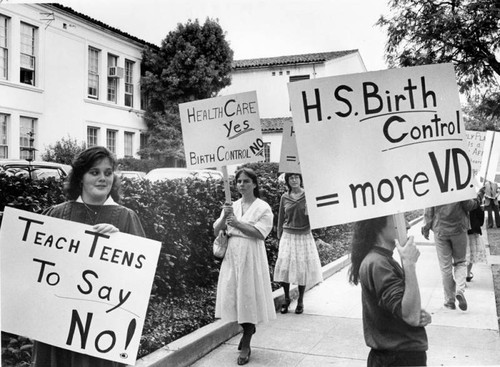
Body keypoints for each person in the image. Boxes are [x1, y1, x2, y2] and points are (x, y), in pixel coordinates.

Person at [31, 146, 146, 367]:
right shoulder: (55, 215)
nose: (103, 178)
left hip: (102, 333)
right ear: (80, 178)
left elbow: (140, 280)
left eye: (108, 172)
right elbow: (36, 273)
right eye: (95, 172)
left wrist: (122, 243)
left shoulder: (126, 219)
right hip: (57, 329)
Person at [349, 215, 431, 367]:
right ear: (378, 224)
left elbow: (404, 310)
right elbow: (410, 316)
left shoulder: (380, 259)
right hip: (399, 358)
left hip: (397, 355)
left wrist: (419, 314)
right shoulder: (378, 262)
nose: (407, 225)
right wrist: (409, 264)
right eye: (399, 219)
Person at [213, 167, 276, 365]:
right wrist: (225, 216)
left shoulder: (263, 207)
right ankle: (248, 328)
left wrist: (238, 224)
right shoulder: (233, 205)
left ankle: (247, 340)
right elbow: (216, 230)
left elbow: (260, 233)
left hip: (250, 254)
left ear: (254, 184)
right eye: (239, 181)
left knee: (247, 294)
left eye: (246, 181)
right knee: (235, 295)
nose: (241, 185)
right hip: (232, 254)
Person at [421, 188, 484, 311]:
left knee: (445, 267)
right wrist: (479, 197)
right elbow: (468, 205)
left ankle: (449, 301)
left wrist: (426, 226)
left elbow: (429, 208)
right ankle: (460, 290)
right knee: (460, 262)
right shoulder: (459, 183)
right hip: (459, 229)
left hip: (440, 229)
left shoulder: (435, 183)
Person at [273, 173, 323, 314]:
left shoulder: (308, 195)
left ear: (301, 179)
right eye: (291, 178)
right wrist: (279, 236)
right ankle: (287, 298)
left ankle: (300, 300)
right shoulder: (285, 197)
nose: (294, 180)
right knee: (285, 268)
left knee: (302, 268)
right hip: (288, 236)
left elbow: (317, 218)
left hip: (304, 235)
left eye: (296, 177)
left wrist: (310, 211)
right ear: (287, 181)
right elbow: (281, 218)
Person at [466, 205, 486, 282]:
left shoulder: (458, 201)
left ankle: (462, 274)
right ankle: (467, 274)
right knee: (471, 254)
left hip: (460, 232)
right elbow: (481, 221)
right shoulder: (474, 202)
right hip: (472, 231)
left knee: (461, 255)